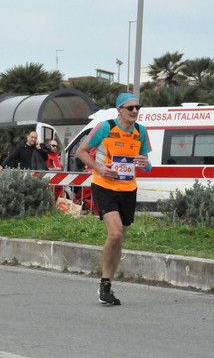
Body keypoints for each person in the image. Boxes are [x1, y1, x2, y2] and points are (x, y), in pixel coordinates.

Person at [76, 93, 152, 305]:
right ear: (119, 110)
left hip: (128, 188)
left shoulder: (141, 132)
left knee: (120, 239)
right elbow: (80, 151)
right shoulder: (104, 127)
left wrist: (143, 163)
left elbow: (147, 164)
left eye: (137, 107)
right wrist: (100, 168)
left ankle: (107, 284)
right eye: (130, 108)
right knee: (115, 232)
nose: (135, 111)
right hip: (104, 186)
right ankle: (104, 283)